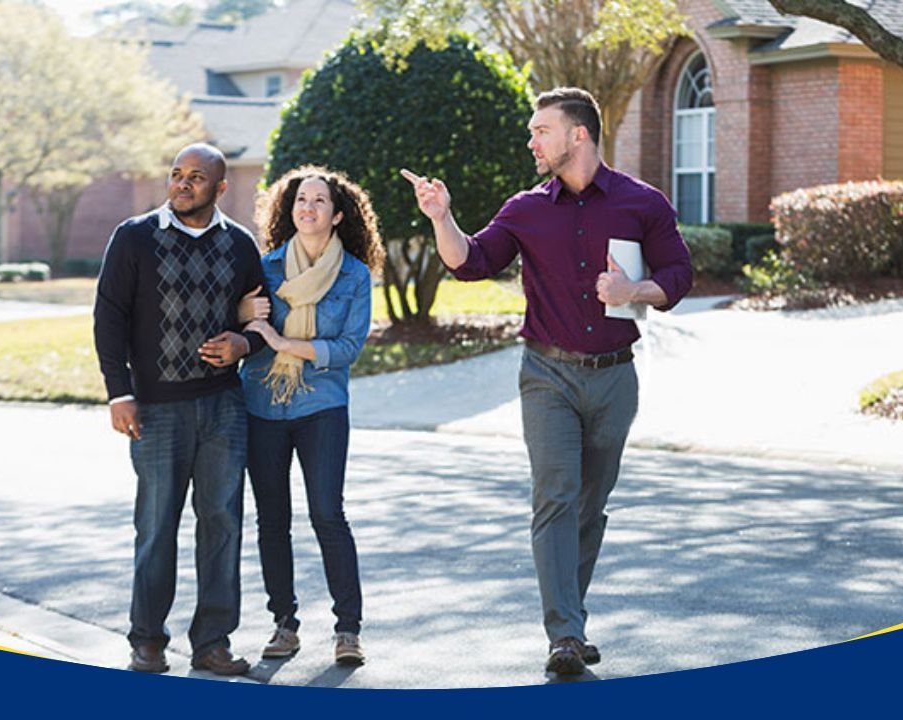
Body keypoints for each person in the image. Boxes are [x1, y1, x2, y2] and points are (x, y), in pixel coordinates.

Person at [403, 87, 693, 675]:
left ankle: (571, 617)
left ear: (577, 135)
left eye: (541, 130)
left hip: (615, 379)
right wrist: (442, 217)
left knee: (590, 505)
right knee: (556, 497)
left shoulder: (643, 202)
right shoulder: (525, 208)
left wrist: (633, 291)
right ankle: (563, 634)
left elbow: (679, 275)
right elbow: (470, 261)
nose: (531, 141)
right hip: (547, 374)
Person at [94, 143, 263, 676]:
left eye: (196, 177)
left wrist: (243, 345)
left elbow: (262, 315)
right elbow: (109, 318)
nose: (183, 184)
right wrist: (118, 392)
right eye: (176, 174)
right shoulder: (135, 237)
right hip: (156, 409)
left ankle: (212, 643)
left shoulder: (239, 245)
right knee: (156, 524)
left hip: (223, 407)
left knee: (222, 523)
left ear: (220, 187)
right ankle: (147, 641)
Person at [236, 166, 384, 666]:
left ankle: (348, 630)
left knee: (327, 513)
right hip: (261, 404)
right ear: (289, 209)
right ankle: (284, 623)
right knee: (272, 519)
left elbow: (347, 348)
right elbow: (243, 325)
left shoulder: (355, 276)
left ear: (337, 214)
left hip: (322, 406)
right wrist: (244, 320)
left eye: (320, 201)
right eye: (301, 200)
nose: (309, 208)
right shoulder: (266, 268)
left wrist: (284, 342)